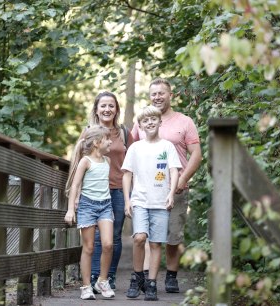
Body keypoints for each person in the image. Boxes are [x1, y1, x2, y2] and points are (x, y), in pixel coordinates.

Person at [131, 78, 202, 293]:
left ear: (171, 95)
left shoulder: (184, 121)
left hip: (174, 189)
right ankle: (143, 278)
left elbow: (196, 155)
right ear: (149, 96)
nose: (158, 97)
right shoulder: (142, 121)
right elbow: (130, 150)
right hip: (146, 190)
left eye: (162, 93)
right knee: (144, 235)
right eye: (154, 93)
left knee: (172, 235)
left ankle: (171, 276)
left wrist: (181, 181)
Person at [122, 105, 182, 301]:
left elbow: (174, 171)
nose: (149, 123)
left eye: (153, 119)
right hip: (140, 200)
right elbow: (127, 175)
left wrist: (171, 194)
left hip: (161, 201)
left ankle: (152, 283)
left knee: (156, 243)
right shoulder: (135, 147)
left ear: (159, 121)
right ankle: (137, 276)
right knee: (139, 238)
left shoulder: (167, 147)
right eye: (145, 121)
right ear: (139, 125)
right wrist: (127, 200)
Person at [80, 92, 134, 291]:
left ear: (116, 110)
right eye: (103, 106)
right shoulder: (89, 132)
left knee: (115, 237)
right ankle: (95, 276)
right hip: (93, 192)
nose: (107, 109)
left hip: (118, 189)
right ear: (96, 109)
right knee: (94, 238)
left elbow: (136, 156)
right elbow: (77, 159)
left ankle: (108, 277)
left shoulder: (124, 133)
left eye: (111, 106)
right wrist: (75, 193)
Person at [64, 125, 116, 300]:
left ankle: (102, 280)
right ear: (96, 142)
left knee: (108, 244)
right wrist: (71, 209)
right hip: (87, 206)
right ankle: (86, 286)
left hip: (105, 205)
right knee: (89, 247)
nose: (110, 141)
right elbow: (75, 186)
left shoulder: (107, 161)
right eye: (107, 139)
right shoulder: (85, 161)